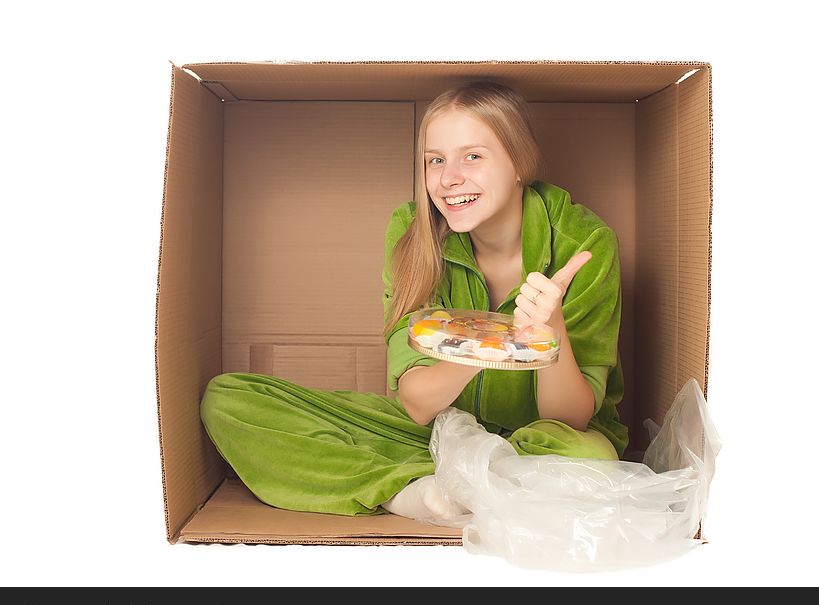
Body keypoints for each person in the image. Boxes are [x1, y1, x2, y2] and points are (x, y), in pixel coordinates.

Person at [199, 80, 628, 522]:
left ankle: (438, 484)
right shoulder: (412, 234)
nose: (448, 179)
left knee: (592, 459)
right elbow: (419, 403)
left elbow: (570, 419)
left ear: (519, 162)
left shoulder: (584, 244)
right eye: (435, 160)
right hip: (434, 432)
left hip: (542, 441)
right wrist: (494, 343)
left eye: (473, 157)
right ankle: (420, 492)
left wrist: (549, 328)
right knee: (230, 400)